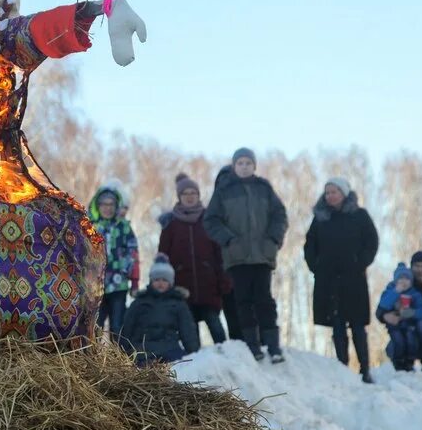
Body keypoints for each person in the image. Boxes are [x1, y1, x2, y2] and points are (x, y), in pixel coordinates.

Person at [204, 148, 288, 363]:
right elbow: (211, 220)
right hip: (237, 257)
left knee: (265, 300)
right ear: (234, 166)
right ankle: (252, 345)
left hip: (262, 255)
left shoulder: (263, 188)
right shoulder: (224, 190)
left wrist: (273, 240)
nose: (244, 166)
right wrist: (229, 240)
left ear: (254, 165)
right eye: (240, 163)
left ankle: (273, 345)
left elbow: (279, 215)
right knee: (243, 301)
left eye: (248, 163)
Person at [303, 178, 379, 383]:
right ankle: (342, 368)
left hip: (353, 278)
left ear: (344, 193)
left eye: (334, 192)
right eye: (327, 192)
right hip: (328, 280)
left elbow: (372, 241)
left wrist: (360, 261)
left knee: (357, 325)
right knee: (336, 324)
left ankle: (365, 369)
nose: (330, 196)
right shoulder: (320, 218)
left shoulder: (359, 215)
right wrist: (316, 266)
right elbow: (310, 245)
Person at [157, 173, 231, 345]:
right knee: (190, 335)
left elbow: (220, 253)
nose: (189, 197)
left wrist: (223, 280)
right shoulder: (171, 224)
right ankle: (195, 367)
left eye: (193, 193)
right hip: (182, 288)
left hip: (209, 286)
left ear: (198, 195)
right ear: (179, 197)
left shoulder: (209, 219)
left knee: (216, 329)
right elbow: (162, 257)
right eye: (185, 194)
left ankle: (227, 360)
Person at [120, 254, 199, 365]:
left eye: (164, 280)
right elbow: (127, 329)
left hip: (170, 350)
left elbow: (188, 331)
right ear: (151, 281)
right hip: (143, 351)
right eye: (157, 279)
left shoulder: (178, 304)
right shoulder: (139, 303)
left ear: (170, 283)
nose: (160, 283)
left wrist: (194, 353)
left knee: (181, 368)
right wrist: (122, 352)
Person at [87, 183, 140, 340]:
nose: (108, 208)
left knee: (118, 326)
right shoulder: (90, 226)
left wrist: (134, 281)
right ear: (98, 205)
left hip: (119, 284)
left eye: (111, 204)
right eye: (104, 204)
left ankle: (118, 359)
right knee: (95, 324)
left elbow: (133, 253)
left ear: (116, 206)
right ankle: (92, 359)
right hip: (95, 285)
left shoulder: (123, 227)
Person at [376, 263, 422, 371]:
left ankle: (409, 362)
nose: (403, 281)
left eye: (407, 278)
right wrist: (396, 292)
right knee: (398, 341)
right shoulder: (390, 291)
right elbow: (383, 305)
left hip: (410, 324)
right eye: (400, 278)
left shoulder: (415, 294)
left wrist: (412, 313)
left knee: (410, 340)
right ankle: (398, 363)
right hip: (395, 326)